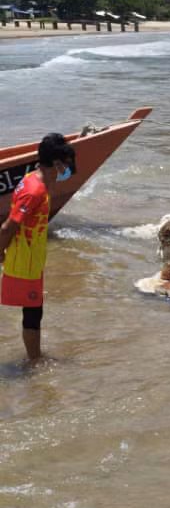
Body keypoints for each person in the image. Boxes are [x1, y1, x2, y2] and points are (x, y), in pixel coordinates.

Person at [0, 132, 75, 361]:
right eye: (67, 163)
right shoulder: (35, 191)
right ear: (57, 163)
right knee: (32, 313)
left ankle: (35, 356)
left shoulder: (33, 179)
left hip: (32, 258)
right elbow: (7, 227)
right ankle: (34, 362)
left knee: (35, 310)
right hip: (25, 261)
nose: (69, 168)